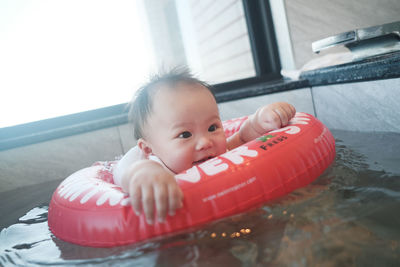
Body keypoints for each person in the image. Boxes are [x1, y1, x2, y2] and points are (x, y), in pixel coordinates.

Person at [113, 68, 296, 225]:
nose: (205, 142)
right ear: (148, 149)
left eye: (212, 127)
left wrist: (260, 121)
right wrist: (145, 173)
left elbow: (241, 140)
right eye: (185, 134)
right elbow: (128, 174)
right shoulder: (155, 168)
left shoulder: (217, 153)